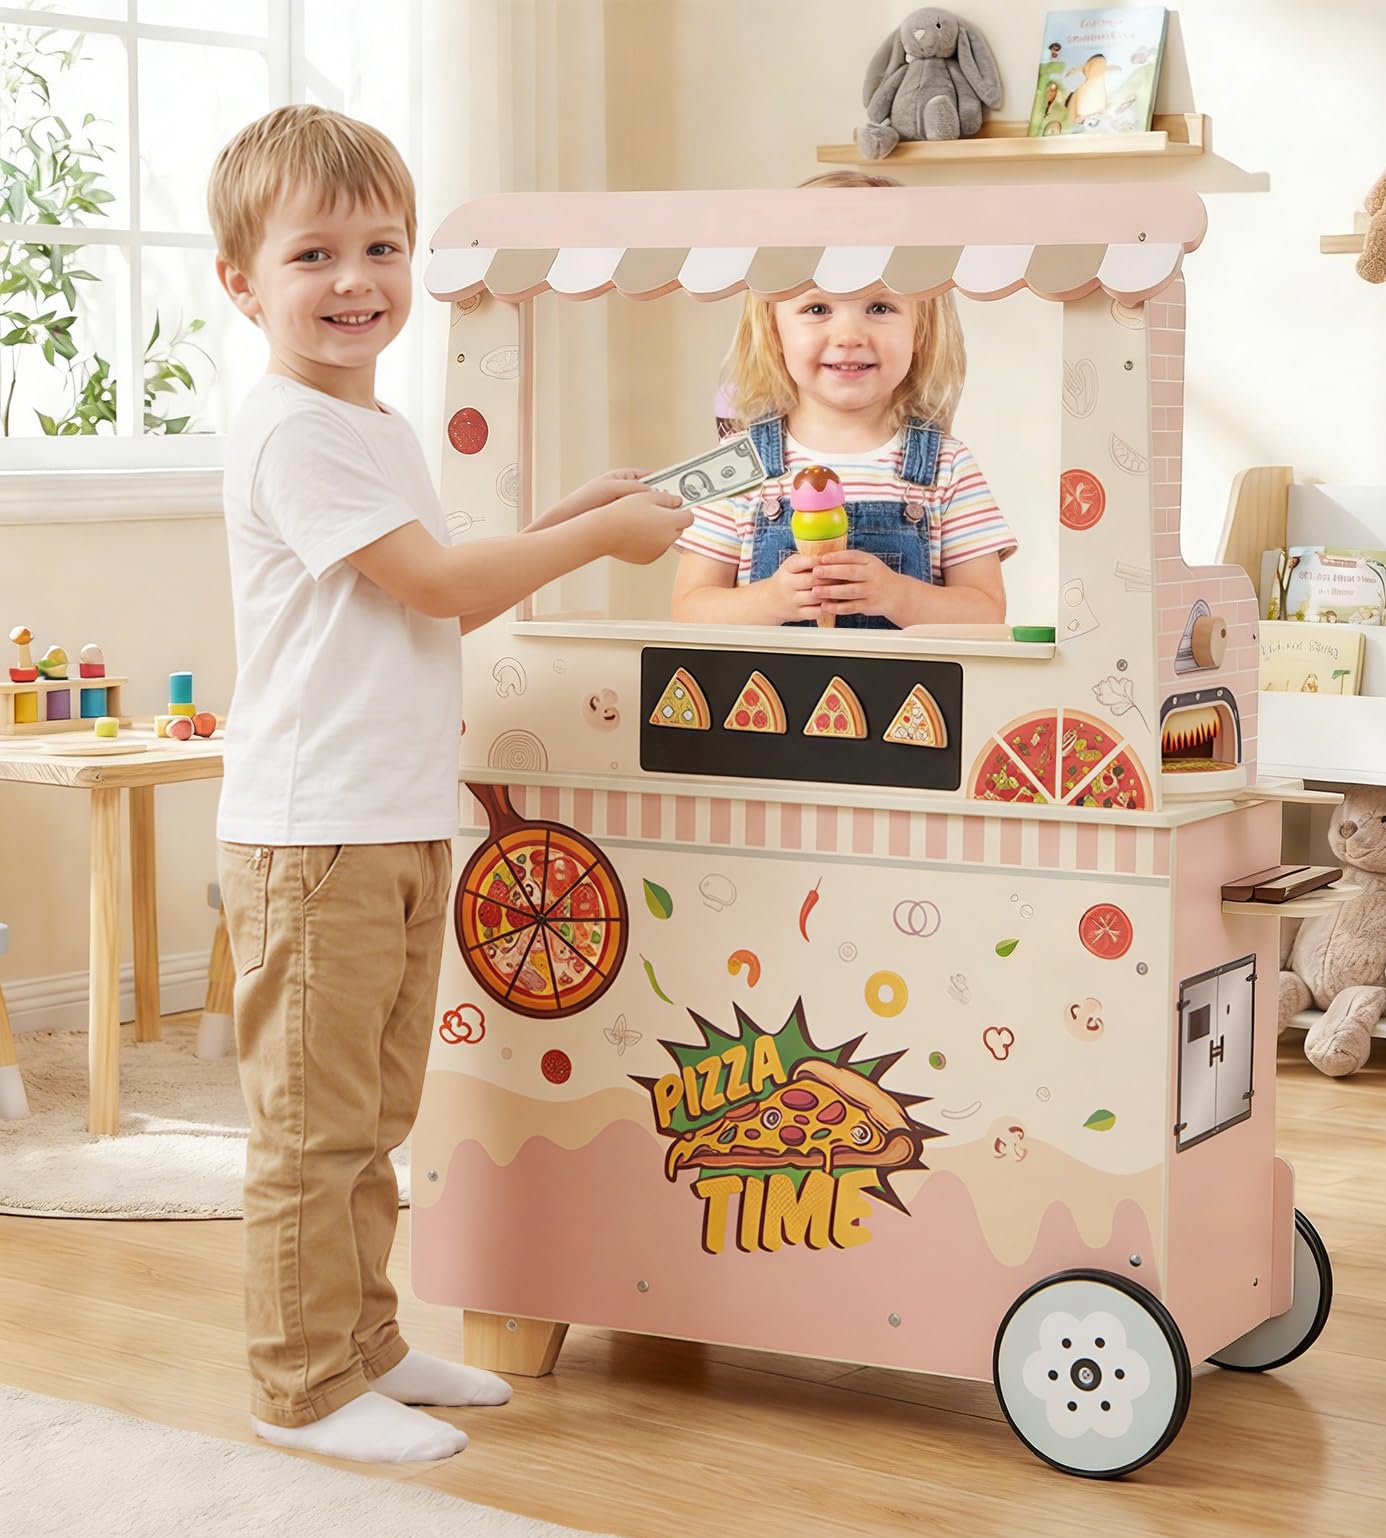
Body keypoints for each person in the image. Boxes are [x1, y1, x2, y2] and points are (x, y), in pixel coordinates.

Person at [206, 105, 688, 1466]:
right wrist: (595, 538)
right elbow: (429, 582)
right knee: (313, 1132)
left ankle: (364, 1347)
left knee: (372, 1122)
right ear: (243, 284)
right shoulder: (294, 431)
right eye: (313, 254)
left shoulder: (374, 428)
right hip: (317, 833)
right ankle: (300, 1387)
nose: (355, 279)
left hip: (392, 821)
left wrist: (559, 523)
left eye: (381, 247)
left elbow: (440, 602)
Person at [672, 173, 1013, 629]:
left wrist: (898, 596)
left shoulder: (948, 467)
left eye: (880, 307)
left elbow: (986, 613)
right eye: (817, 309)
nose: (850, 336)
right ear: (774, 329)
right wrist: (771, 600)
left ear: (921, 329)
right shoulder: (736, 463)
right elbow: (690, 609)